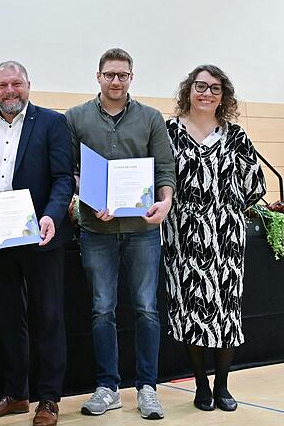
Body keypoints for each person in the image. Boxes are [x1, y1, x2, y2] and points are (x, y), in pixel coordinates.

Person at [65, 48, 175, 420]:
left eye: (123, 75)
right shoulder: (75, 118)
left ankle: (147, 387)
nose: (116, 81)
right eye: (110, 74)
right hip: (97, 229)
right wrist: (87, 197)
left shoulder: (150, 117)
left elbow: (164, 169)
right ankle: (107, 387)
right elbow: (69, 171)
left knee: (146, 308)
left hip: (142, 230)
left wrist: (165, 202)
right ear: (98, 76)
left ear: (131, 77)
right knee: (101, 309)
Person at [0, 61, 74, 426]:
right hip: (0, 235)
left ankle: (48, 399)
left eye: (16, 83)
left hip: (41, 234)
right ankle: (15, 394)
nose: (9, 90)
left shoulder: (52, 123)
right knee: (8, 318)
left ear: (28, 84)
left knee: (47, 317)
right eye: (2, 85)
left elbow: (63, 179)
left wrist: (51, 216)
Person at [164, 65, 266, 412]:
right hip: (183, 236)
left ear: (224, 96)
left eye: (215, 89)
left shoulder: (235, 136)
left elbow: (255, 187)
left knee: (226, 312)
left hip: (226, 237)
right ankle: (201, 385)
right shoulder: (168, 133)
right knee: (191, 309)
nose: (207, 93)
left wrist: (227, 202)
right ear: (188, 90)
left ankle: (222, 385)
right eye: (201, 86)